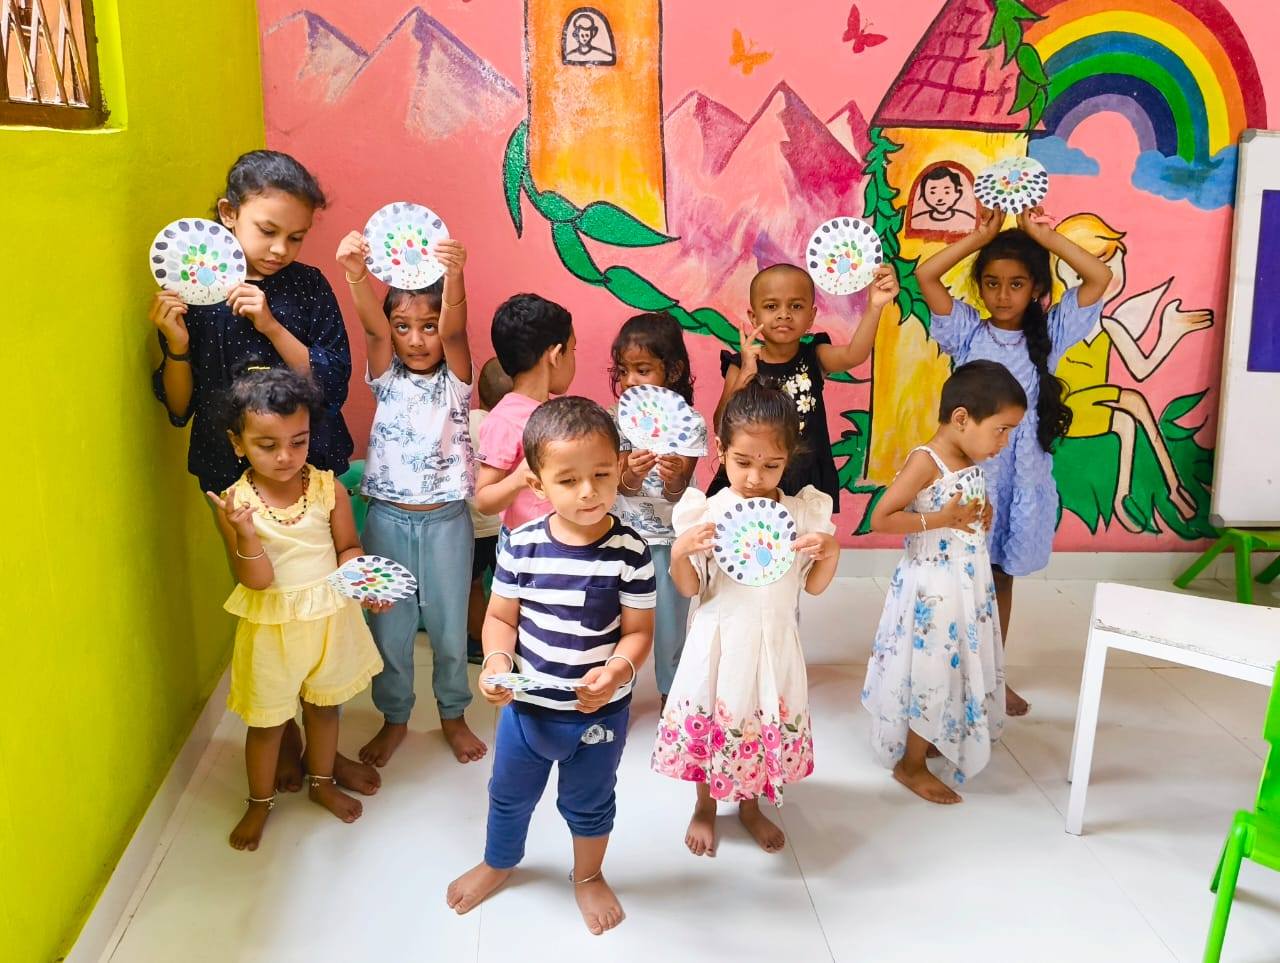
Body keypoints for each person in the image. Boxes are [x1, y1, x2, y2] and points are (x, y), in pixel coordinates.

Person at [151, 149, 375, 795]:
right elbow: (177, 406)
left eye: (296, 236)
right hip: (231, 478)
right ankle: (289, 738)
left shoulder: (305, 287)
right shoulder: (193, 292)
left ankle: (323, 746)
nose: (279, 249)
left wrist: (271, 322)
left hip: (313, 462)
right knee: (267, 603)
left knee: (327, 602)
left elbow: (327, 382)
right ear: (228, 214)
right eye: (266, 230)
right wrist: (176, 344)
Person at [446, 397, 655, 936]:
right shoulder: (521, 542)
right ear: (538, 484)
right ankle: (499, 861)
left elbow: (637, 634)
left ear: (618, 468)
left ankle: (587, 876)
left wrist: (613, 673)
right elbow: (499, 616)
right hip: (527, 711)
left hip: (597, 715)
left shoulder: (631, 550)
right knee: (508, 794)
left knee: (590, 802)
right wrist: (495, 659)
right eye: (568, 479)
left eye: (602, 474)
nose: (588, 491)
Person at [917, 205, 1111, 716]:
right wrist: (980, 237)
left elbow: (1099, 275)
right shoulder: (966, 333)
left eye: (1017, 284)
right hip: (969, 486)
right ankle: (946, 676)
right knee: (958, 581)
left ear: (1036, 290)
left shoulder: (1049, 335)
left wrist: (1038, 235)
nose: (1003, 295)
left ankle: (991, 679)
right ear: (979, 286)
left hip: (1020, 483)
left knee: (1000, 579)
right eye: (992, 283)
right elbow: (926, 274)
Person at [653, 380, 839, 857]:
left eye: (771, 465)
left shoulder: (801, 513)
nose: (756, 477)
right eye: (743, 462)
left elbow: (814, 586)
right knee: (716, 719)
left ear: (789, 459)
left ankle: (751, 806)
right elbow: (690, 587)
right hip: (719, 643)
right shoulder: (706, 512)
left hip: (773, 645)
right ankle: (706, 806)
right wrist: (680, 552)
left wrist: (831, 551)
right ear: (722, 450)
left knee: (758, 722)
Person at [206, 366, 385, 851]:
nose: (285, 456)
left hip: (330, 620)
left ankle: (322, 780)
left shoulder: (330, 488)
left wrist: (364, 580)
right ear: (238, 443)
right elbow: (258, 580)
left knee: (326, 710)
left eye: (298, 441)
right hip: (273, 631)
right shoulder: (236, 503)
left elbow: (347, 547)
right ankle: (258, 801)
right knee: (266, 724)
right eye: (267, 445)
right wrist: (244, 533)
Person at [335, 230, 486, 766]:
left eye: (428, 327)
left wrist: (457, 275)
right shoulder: (385, 376)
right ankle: (394, 717)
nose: (419, 339)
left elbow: (457, 329)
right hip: (387, 523)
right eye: (405, 327)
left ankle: (453, 713)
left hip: (446, 522)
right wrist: (357, 274)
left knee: (447, 629)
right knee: (390, 629)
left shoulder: (458, 380)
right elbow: (370, 327)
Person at [861, 360, 1027, 804]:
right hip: (933, 589)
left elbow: (967, 505)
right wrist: (943, 518)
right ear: (961, 418)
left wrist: (982, 511)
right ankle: (910, 765)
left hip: (965, 585)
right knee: (931, 670)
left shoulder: (968, 458)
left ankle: (933, 734)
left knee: (953, 667)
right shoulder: (926, 461)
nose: (1004, 442)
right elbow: (881, 517)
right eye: (1001, 429)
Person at [1052, 212, 1212, 530]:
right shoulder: (1059, 323)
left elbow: (1141, 368)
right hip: (1063, 409)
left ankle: (1122, 497)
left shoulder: (1110, 326)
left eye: (1108, 263)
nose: (1100, 276)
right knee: (1134, 402)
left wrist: (1169, 333)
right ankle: (1174, 487)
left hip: (1093, 410)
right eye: (1082, 270)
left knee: (1126, 422)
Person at [710, 262, 899, 507]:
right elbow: (720, 424)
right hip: (753, 477)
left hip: (804, 477)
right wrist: (746, 373)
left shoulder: (815, 354)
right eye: (771, 306)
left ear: (811, 316)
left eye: (796, 306)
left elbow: (855, 355)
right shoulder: (742, 364)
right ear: (753, 316)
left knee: (802, 542)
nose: (784, 314)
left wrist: (874, 306)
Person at [609, 312, 707, 707]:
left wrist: (671, 476)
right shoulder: (618, 420)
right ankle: (617, 689)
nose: (631, 379)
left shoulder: (690, 424)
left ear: (674, 370)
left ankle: (672, 693)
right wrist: (631, 473)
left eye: (643, 369)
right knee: (619, 621)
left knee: (669, 626)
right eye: (625, 370)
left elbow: (678, 491)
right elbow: (619, 485)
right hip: (625, 540)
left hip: (669, 542)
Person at [473, 294, 576, 543]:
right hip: (526, 549)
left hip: (561, 543)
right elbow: (483, 500)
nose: (573, 359)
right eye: (573, 350)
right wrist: (519, 479)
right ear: (556, 355)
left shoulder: (556, 412)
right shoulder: (505, 420)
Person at [467, 359, 513, 663]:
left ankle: (475, 642)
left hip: (468, 527)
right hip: (499, 527)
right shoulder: (506, 428)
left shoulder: (465, 421)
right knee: (507, 590)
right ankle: (507, 643)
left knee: (471, 587)